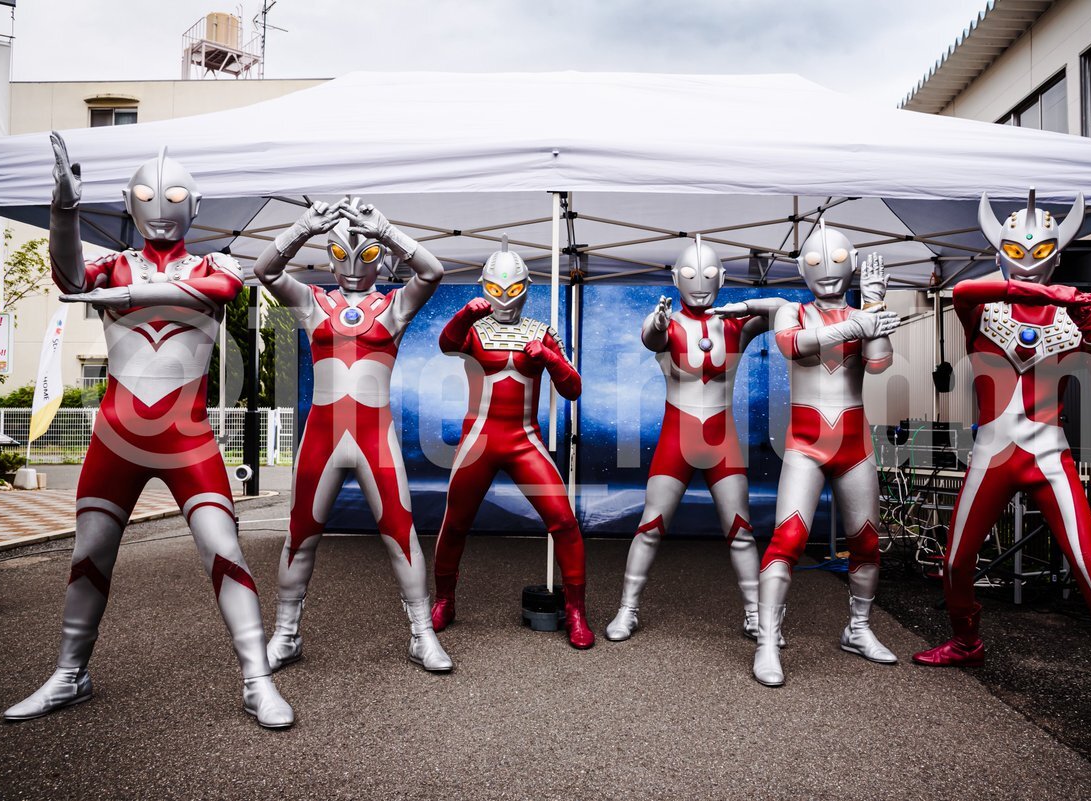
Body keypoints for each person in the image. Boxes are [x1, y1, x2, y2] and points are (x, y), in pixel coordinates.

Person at [4, 133, 293, 728]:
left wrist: (122, 294)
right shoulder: (110, 263)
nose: (160, 208)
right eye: (146, 197)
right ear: (128, 203)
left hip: (187, 435)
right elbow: (69, 280)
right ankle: (69, 674)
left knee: (224, 550)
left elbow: (222, 289)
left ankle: (257, 680)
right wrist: (64, 210)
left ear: (195, 204)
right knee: (89, 554)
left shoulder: (214, 264)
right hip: (118, 434)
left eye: (176, 197)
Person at [912, 188, 1091, 755]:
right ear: (1000, 250)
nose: (1025, 259)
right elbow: (962, 290)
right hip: (992, 453)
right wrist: (1050, 291)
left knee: (1090, 567)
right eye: (1015, 250)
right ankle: (966, 642)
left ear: (1056, 251)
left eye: (1039, 251)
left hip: (1048, 454)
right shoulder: (986, 308)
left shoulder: (1072, 317)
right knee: (955, 560)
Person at [254, 197, 452, 674]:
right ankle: (286, 635)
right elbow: (265, 270)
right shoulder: (314, 301)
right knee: (300, 535)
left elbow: (432, 272)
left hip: (373, 437)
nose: (351, 267)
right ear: (328, 258)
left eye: (365, 256)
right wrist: (303, 227)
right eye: (340, 255)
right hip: (323, 437)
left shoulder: (393, 306)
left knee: (400, 533)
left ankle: (422, 634)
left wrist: (386, 230)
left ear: (380, 259)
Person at [744, 223, 901, 687]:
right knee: (788, 538)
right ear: (801, 268)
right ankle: (767, 642)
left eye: (838, 260)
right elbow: (792, 345)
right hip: (805, 446)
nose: (828, 270)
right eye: (814, 261)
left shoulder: (862, 312)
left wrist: (874, 305)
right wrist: (858, 323)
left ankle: (859, 628)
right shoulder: (791, 311)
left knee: (866, 541)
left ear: (854, 264)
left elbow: (880, 362)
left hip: (855, 445)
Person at [605, 237, 783, 643]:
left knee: (740, 530)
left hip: (722, 441)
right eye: (688, 274)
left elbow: (784, 311)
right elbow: (651, 337)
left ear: (722, 277)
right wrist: (657, 323)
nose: (699, 283)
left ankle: (755, 614)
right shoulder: (667, 324)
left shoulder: (736, 324)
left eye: (708, 274)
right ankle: (627, 609)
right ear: (675, 278)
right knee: (650, 526)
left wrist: (746, 306)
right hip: (678, 438)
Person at [431, 238, 593, 649]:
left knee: (564, 522)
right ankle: (444, 599)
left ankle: (576, 611)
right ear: (484, 286)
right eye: (495, 289)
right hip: (479, 440)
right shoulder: (473, 329)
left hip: (524, 439)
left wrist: (551, 358)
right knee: (455, 522)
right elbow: (447, 345)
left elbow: (573, 389)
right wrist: (465, 314)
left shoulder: (541, 332)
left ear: (526, 288)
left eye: (513, 289)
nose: (504, 298)